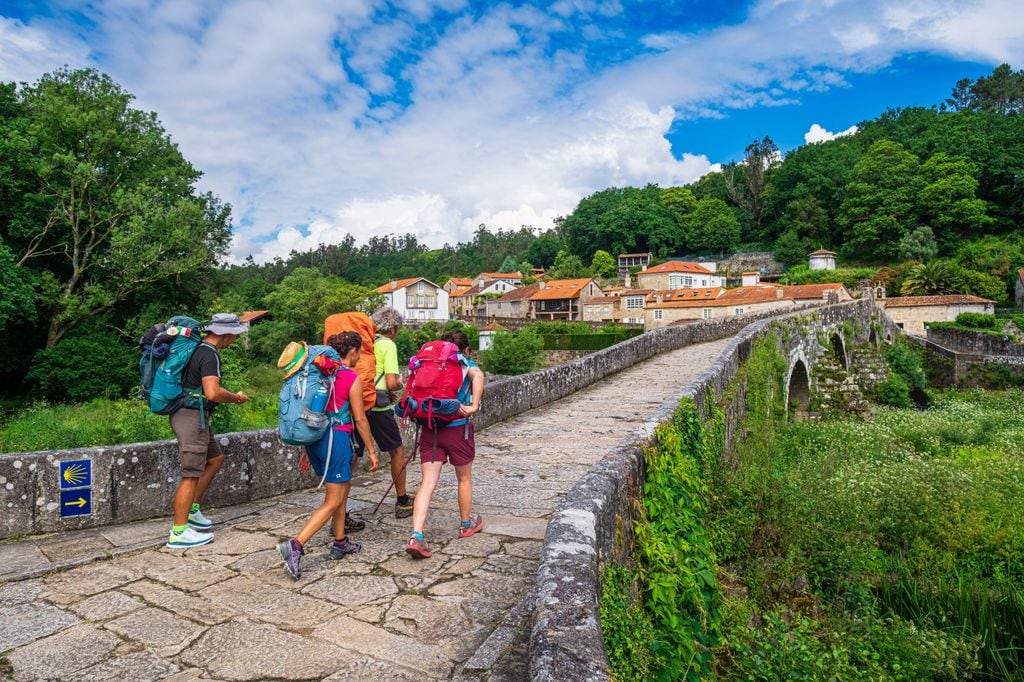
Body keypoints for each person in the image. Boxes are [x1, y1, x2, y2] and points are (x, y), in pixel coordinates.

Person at [278, 332, 379, 579]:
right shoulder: (349, 377)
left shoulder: (319, 374)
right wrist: (373, 451)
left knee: (342, 490)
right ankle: (295, 545)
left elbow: (311, 412)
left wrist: (305, 448)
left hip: (315, 440)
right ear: (352, 351)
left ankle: (340, 541)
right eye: (358, 353)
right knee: (333, 499)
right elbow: (360, 418)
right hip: (337, 440)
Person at [166, 313, 250, 549]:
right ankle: (179, 532)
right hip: (190, 417)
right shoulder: (208, 354)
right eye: (233, 336)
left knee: (215, 458)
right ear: (226, 334)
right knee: (191, 472)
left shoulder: (197, 349)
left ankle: (192, 510)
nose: (233, 340)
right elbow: (213, 392)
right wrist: (237, 398)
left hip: (194, 415)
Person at [406, 329, 485, 559]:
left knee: (427, 484)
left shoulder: (430, 363)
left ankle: (416, 535)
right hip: (457, 430)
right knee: (464, 478)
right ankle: (465, 525)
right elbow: (478, 376)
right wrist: (474, 406)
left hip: (431, 429)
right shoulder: (464, 363)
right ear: (466, 350)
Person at [353, 307, 414, 519]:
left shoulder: (363, 343)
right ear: (394, 328)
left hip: (356, 403)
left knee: (353, 454)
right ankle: (402, 501)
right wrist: (399, 384)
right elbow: (390, 381)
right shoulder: (387, 344)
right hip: (378, 408)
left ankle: (340, 511)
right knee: (397, 450)